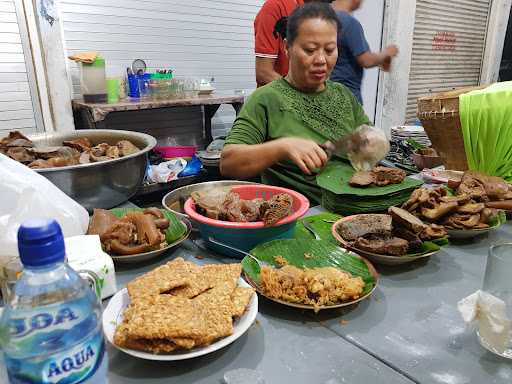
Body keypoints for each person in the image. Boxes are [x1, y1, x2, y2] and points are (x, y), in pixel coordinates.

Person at [222, 3, 372, 204]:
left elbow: (367, 140)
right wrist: (282, 147)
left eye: (329, 49)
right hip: (307, 217)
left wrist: (370, 143)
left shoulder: (343, 95)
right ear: (287, 47)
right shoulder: (267, 99)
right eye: (310, 50)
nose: (321, 59)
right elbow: (229, 162)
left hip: (356, 207)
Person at [330, 0, 398, 103]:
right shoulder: (349, 23)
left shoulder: (321, 16)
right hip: (346, 98)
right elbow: (366, 60)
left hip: (325, 95)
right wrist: (387, 52)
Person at [254, 0, 334, 87]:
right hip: (277, 97)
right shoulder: (275, 6)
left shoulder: (319, 14)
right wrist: (299, 96)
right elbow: (264, 72)